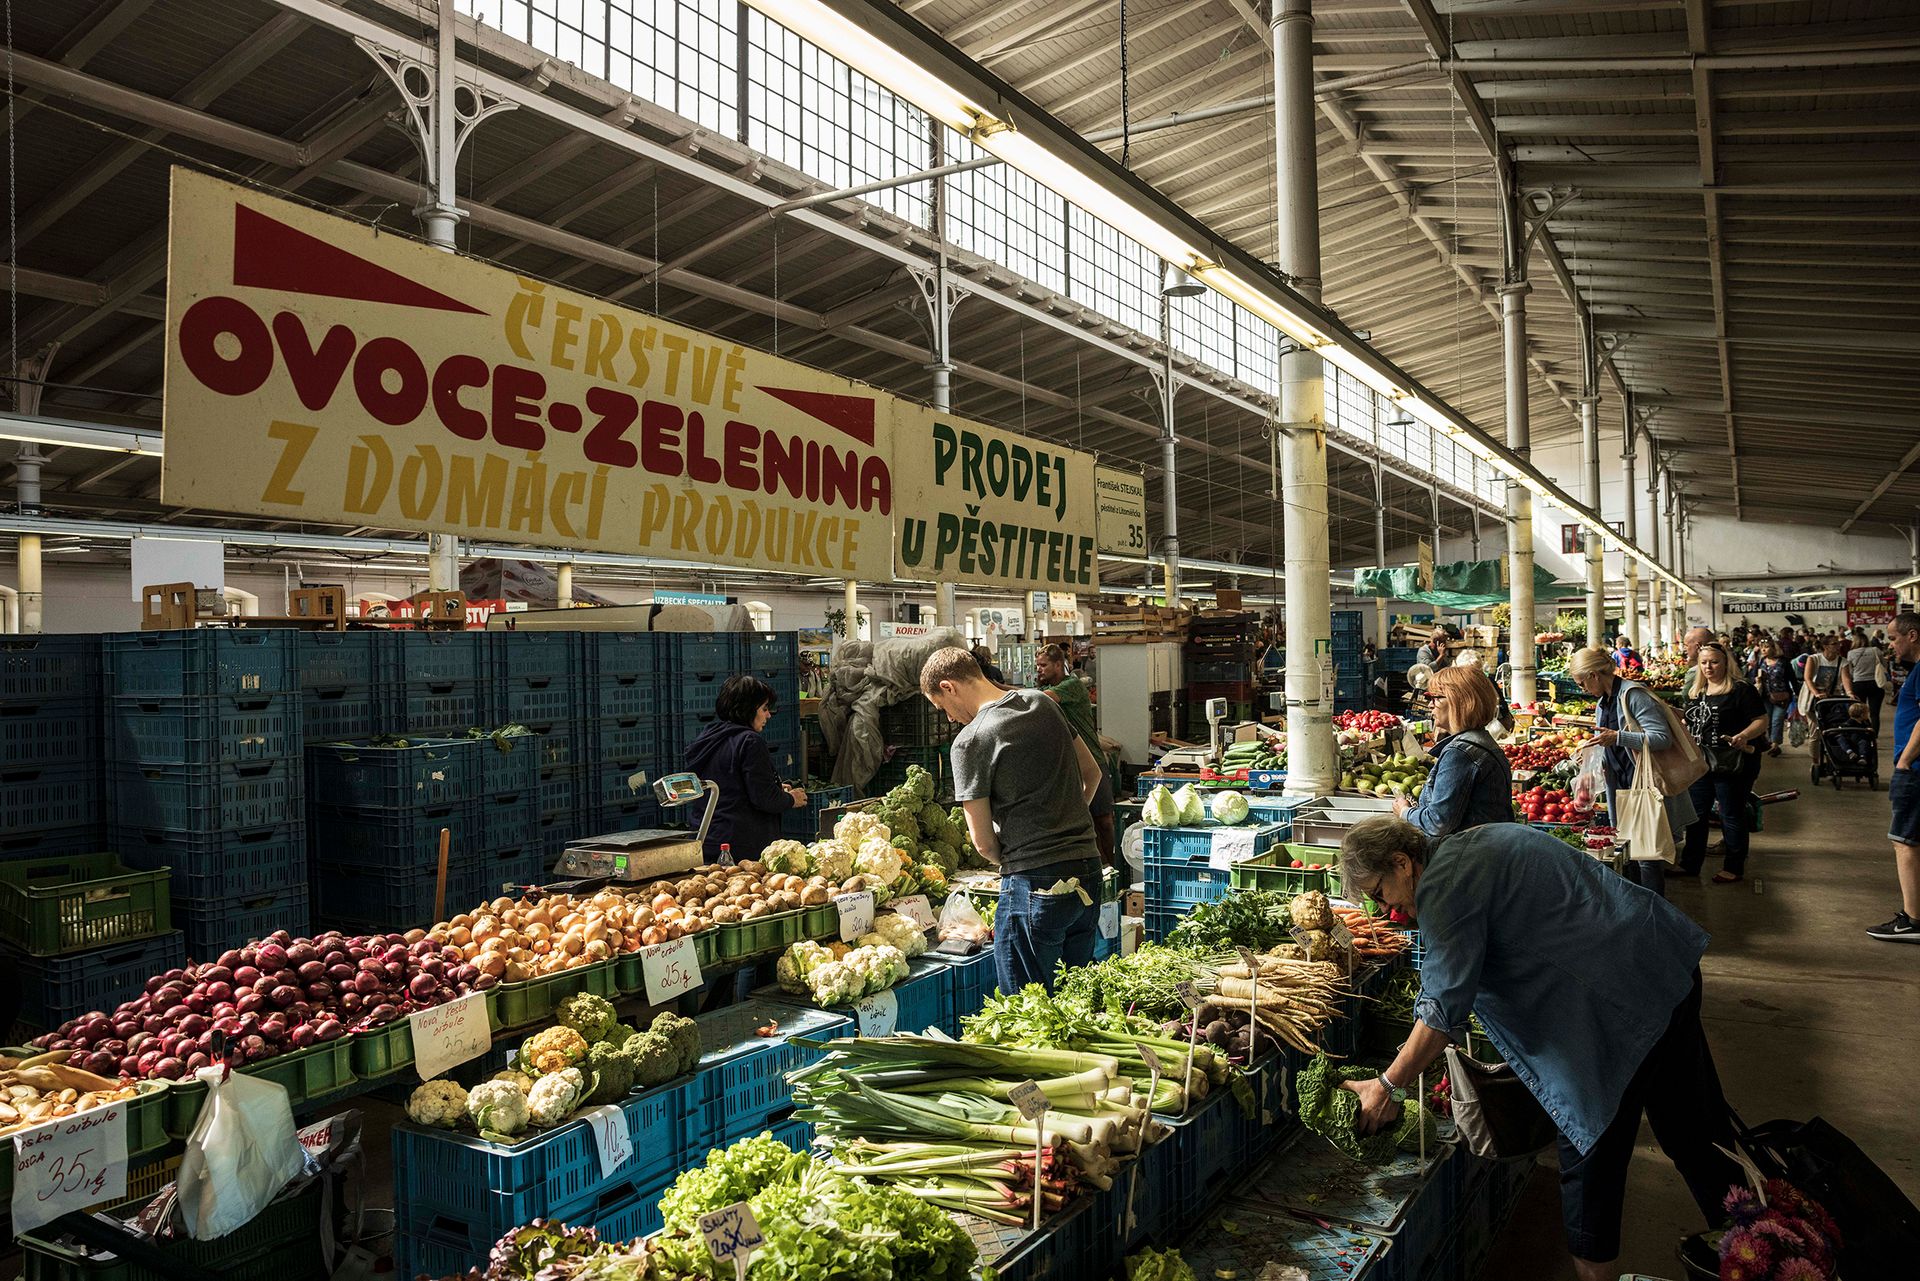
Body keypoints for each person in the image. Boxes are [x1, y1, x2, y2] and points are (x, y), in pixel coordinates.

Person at [1336, 817, 1743, 1281]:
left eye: (1378, 890)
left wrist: (1387, 1083)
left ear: (1402, 863)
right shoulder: (1478, 839)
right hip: (1661, 962)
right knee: (1695, 1130)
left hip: (1611, 1009)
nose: (1383, 907)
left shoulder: (1445, 889)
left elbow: (1441, 1012)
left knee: (1590, 1162)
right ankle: (1767, 1247)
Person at [922, 646, 1105, 990]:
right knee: (1077, 998)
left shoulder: (970, 741)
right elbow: (1093, 773)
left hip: (1035, 883)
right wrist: (1070, 825)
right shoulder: (1043, 703)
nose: (948, 717)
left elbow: (982, 842)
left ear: (948, 687)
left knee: (1028, 1011)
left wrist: (1026, 853)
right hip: (1088, 871)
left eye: (941, 707)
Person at [1571, 646, 1694, 896]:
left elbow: (1661, 738)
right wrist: (1590, 760)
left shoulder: (1634, 695)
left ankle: (1654, 914)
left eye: (1582, 683)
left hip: (1642, 786)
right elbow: (1608, 741)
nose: (1582, 689)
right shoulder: (1603, 702)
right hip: (1621, 786)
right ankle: (1638, 907)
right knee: (1629, 851)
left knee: (1647, 854)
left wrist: (1618, 737)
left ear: (1594, 675)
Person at [683, 675, 807, 862]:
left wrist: (775, 789)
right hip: (740, 848)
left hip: (707, 839)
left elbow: (731, 787)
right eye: (764, 709)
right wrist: (791, 799)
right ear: (748, 709)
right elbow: (764, 799)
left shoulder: (709, 736)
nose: (768, 715)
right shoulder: (750, 741)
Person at [1677, 643, 1770, 884]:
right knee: (1696, 815)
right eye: (1704, 662)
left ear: (1726, 663)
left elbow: (1761, 720)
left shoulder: (1741, 690)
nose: (1709, 667)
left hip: (1733, 763)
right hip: (1701, 762)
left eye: (1714, 662)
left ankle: (1734, 866)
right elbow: (1691, 720)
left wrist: (1744, 736)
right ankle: (1690, 863)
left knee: (1731, 814)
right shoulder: (1697, 690)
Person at [1398, 665, 1512, 837]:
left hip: (1467, 856)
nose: (1430, 705)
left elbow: (1437, 822)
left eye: (1434, 698)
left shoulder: (1460, 753)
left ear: (1457, 701)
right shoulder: (1481, 742)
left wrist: (1405, 812)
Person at [1035, 642, 1116, 866]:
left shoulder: (1072, 685)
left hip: (1093, 763)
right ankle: (1101, 868)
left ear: (1058, 664)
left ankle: (1117, 869)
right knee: (1084, 822)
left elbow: (1041, 699)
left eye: (1043, 665)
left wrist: (996, 687)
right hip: (1071, 766)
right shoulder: (1043, 690)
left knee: (1105, 821)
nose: (1039, 669)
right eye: (1037, 665)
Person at [1870, 612, 1920, 943]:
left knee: (1904, 842)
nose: (1891, 644)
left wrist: (1904, 760)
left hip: (1914, 771)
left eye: (1893, 637)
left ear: (1912, 635)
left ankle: (1913, 921)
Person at [1842, 626, 1886, 735]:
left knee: (1859, 711)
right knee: (1874, 713)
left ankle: (1862, 732)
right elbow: (1884, 665)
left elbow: (1850, 672)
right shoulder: (1876, 650)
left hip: (1858, 684)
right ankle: (1873, 735)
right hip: (1875, 683)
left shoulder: (1851, 653)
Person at [1755, 642, 1795, 756]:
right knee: (1767, 721)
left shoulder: (1783, 662)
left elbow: (1792, 678)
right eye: (1762, 648)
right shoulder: (1761, 661)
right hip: (1765, 696)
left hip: (1782, 696)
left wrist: (1797, 694)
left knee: (1777, 720)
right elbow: (1752, 675)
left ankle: (1774, 745)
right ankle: (1772, 742)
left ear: (1774, 648)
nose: (1763, 650)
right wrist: (1757, 679)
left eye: (1766, 647)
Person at [1802, 635, 1844, 704]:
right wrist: (1816, 693)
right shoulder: (1813, 659)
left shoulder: (1842, 661)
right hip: (1812, 695)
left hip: (1833, 695)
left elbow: (1846, 679)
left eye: (1839, 643)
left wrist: (1849, 692)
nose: (1838, 646)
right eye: (1834, 644)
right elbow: (1807, 678)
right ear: (1825, 647)